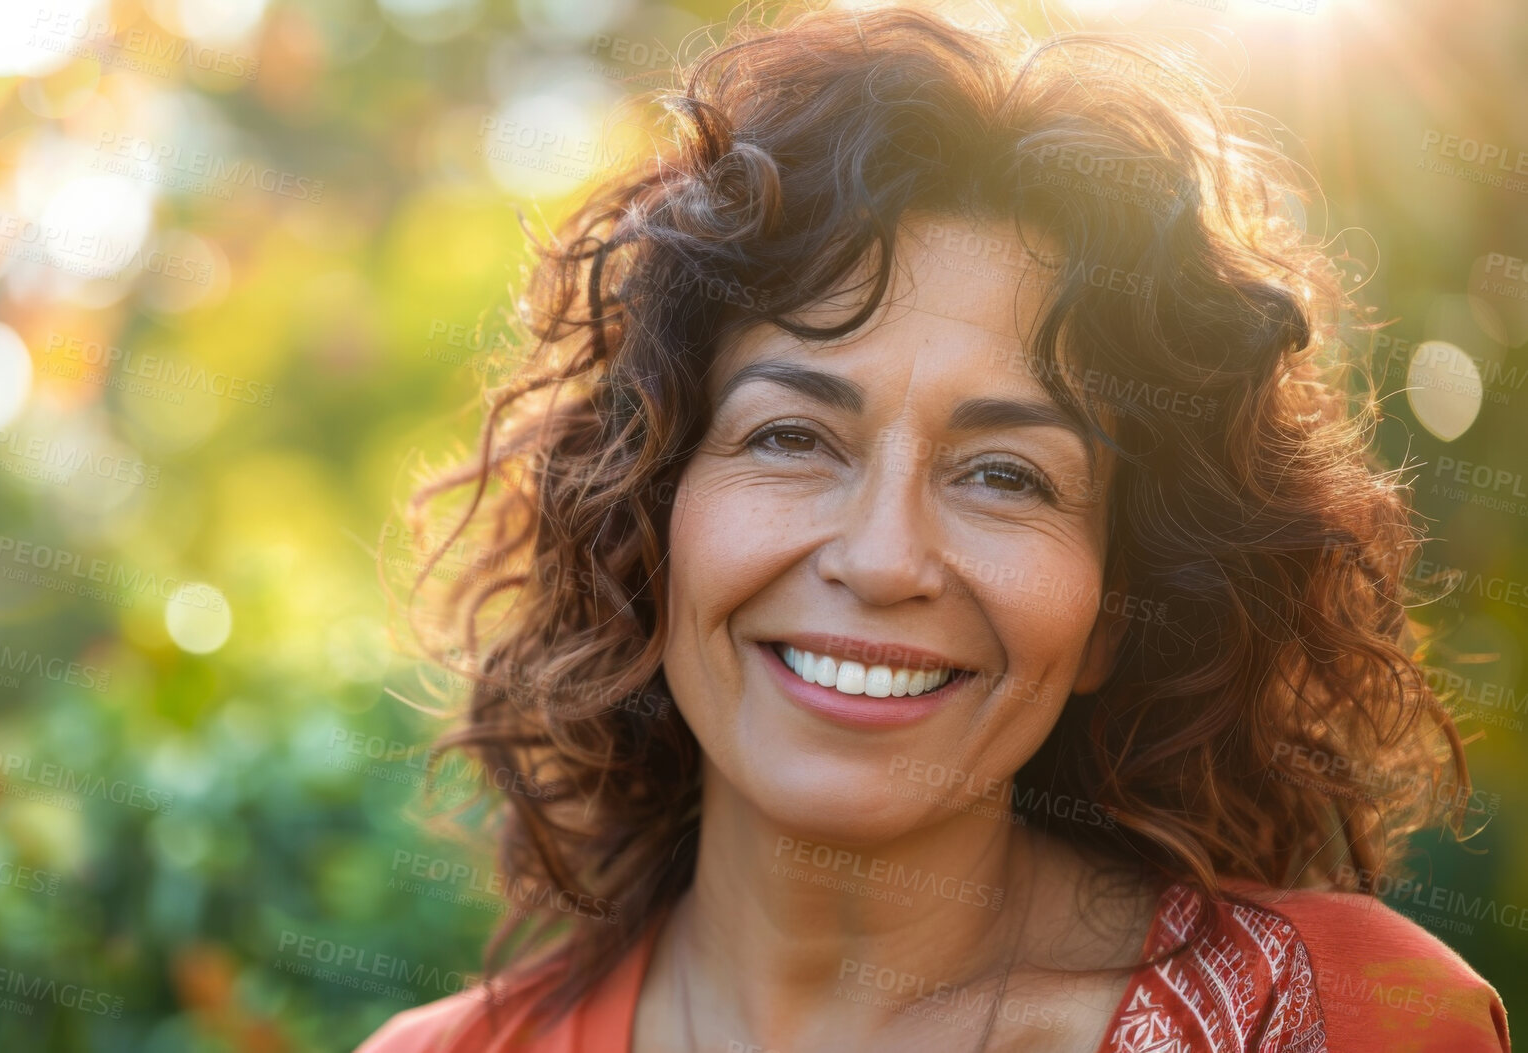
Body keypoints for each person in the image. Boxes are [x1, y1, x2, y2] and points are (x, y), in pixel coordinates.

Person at [362, 4, 1512, 1050]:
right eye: (790, 440)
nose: (882, 559)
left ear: (1116, 608)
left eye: (1006, 475)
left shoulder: (1336, 1020)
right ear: (650, 520)